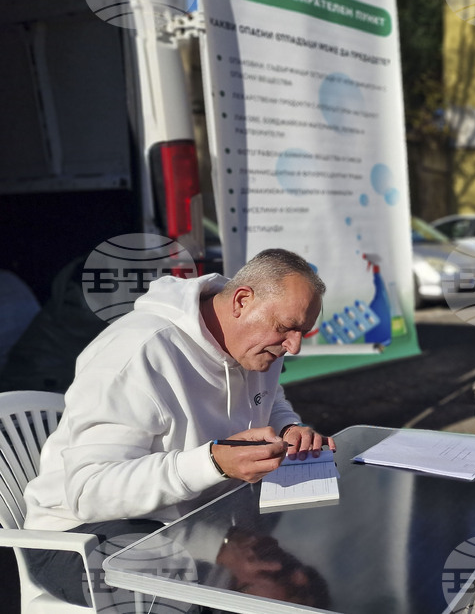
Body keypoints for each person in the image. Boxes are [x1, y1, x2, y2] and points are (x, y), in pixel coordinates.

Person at [23, 247, 336, 607]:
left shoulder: (254, 344)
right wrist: (214, 463)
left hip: (190, 520)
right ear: (242, 301)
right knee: (198, 598)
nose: (293, 347)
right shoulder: (137, 354)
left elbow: (271, 399)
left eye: (302, 333)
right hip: (79, 537)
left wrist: (288, 428)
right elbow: (88, 490)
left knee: (299, 569)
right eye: (286, 329)